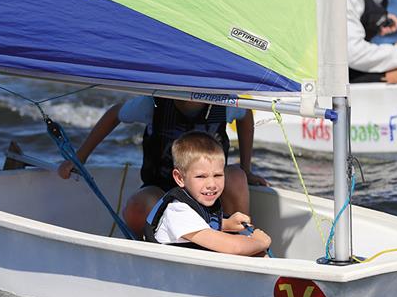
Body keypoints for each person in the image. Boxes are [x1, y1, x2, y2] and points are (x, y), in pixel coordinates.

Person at [57, 96, 268, 238]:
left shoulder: (222, 103)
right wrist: (80, 157)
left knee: (237, 176)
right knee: (138, 206)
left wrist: (246, 167)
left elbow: (245, 114)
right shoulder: (154, 103)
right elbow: (115, 113)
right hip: (163, 189)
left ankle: (241, 237)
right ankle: (142, 248)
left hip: (209, 190)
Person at [143, 132, 271, 256]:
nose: (211, 184)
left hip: (194, 270)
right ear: (180, 178)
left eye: (218, 175)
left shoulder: (198, 202)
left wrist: (226, 224)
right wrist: (260, 242)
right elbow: (234, 247)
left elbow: (203, 222)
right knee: (254, 249)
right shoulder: (178, 212)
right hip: (174, 273)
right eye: (201, 176)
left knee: (256, 252)